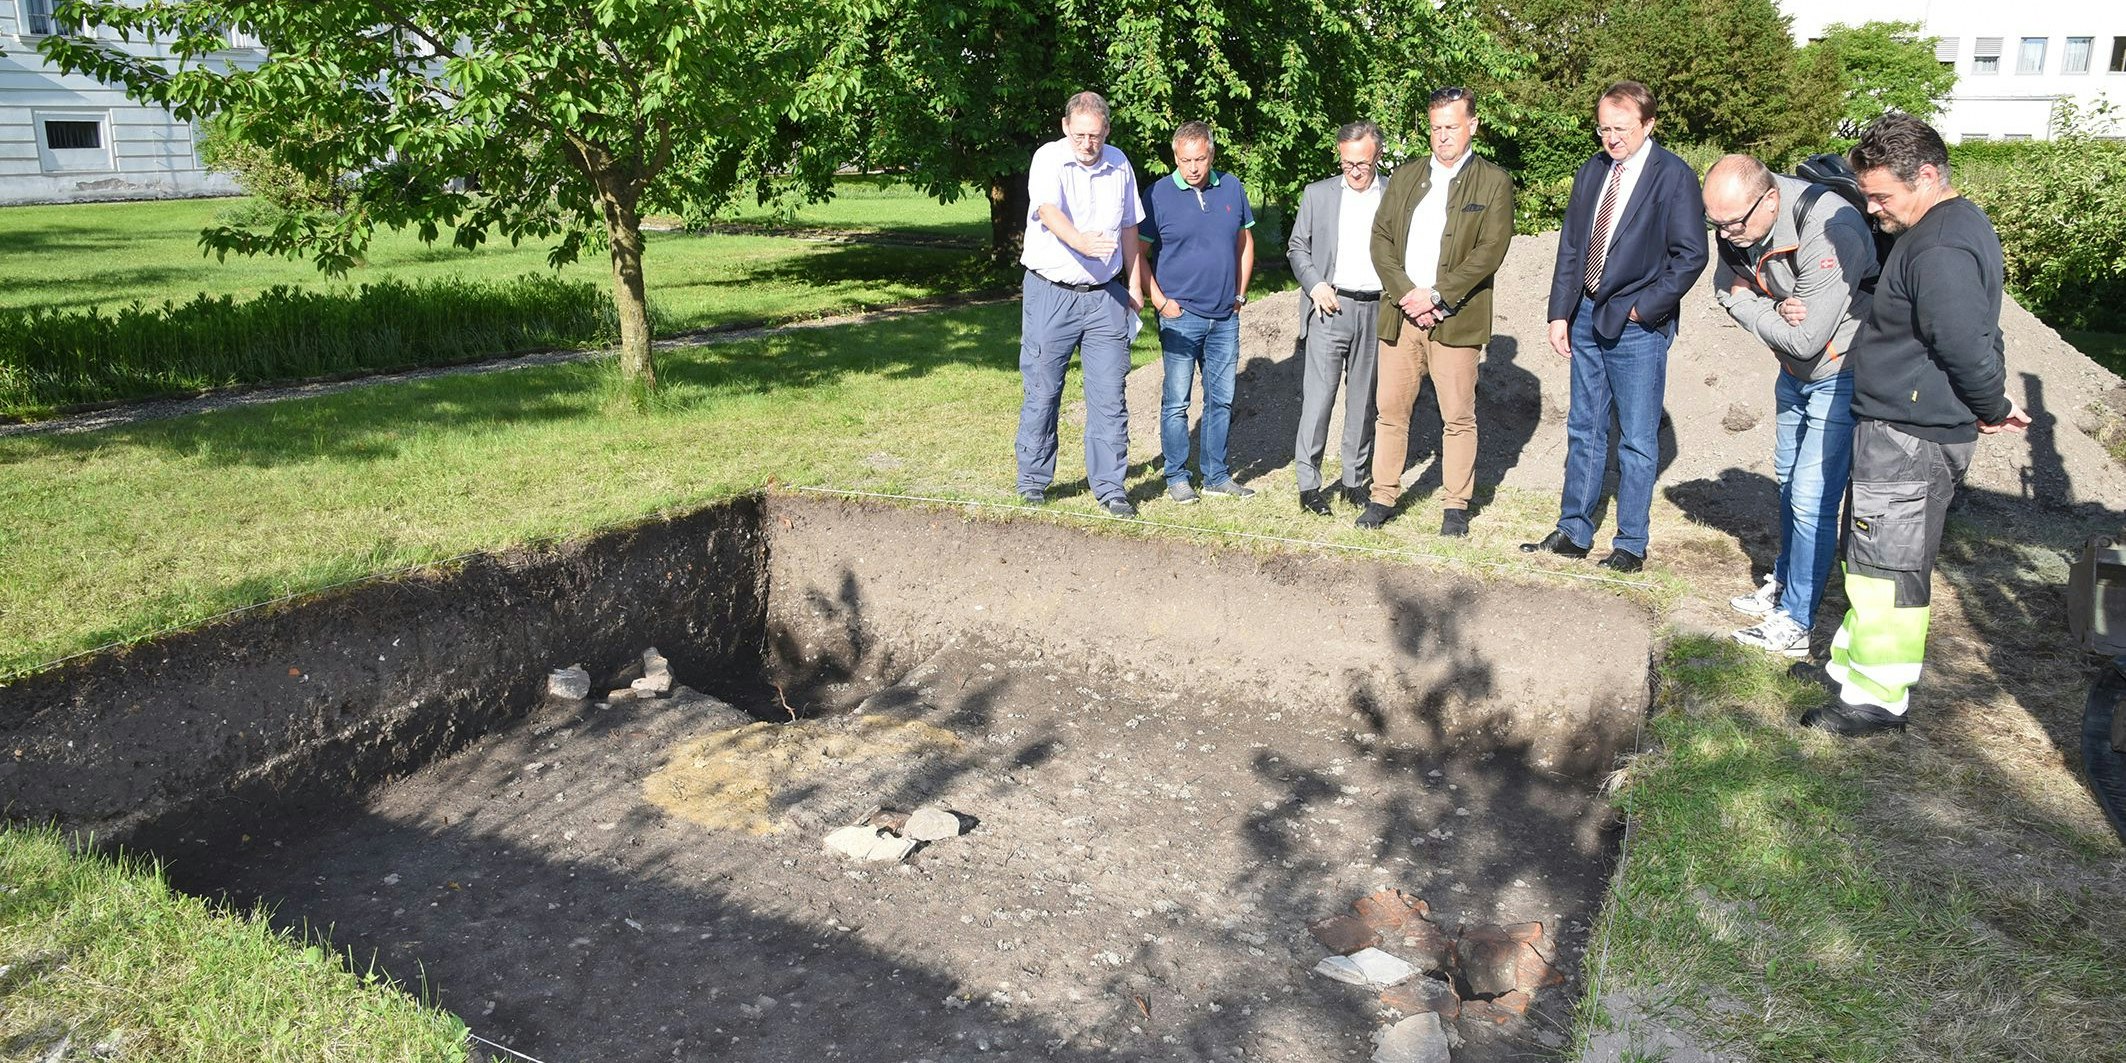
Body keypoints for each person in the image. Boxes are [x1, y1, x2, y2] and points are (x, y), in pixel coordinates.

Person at [1796, 113, 2029, 737]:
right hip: (1903, 426)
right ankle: (1854, 667)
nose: (1872, 211)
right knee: (1874, 555)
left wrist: (1991, 405)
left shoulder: (1943, 244)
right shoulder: (1941, 228)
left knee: (1890, 565)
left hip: (1912, 435)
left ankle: (1877, 698)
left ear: (1926, 176)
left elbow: (1964, 339)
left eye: (1880, 196)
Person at [1523, 81, 1708, 571]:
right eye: (1604, 128)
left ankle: (1630, 543)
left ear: (1648, 124)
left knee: (1637, 438)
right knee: (1583, 427)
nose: (1611, 138)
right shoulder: (1592, 171)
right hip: (1583, 315)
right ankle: (1574, 531)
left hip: (1637, 327)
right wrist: (1559, 312)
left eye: (1620, 129)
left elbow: (1691, 256)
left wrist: (1642, 309)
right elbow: (1571, 247)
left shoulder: (1674, 177)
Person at [1703, 153, 1877, 658]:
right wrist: (1772, 307)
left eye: (1735, 223)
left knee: (1811, 497)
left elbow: (1806, 338)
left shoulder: (1829, 226)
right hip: (1793, 373)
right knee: (1787, 479)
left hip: (1840, 371)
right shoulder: (1735, 219)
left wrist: (1747, 302)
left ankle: (1798, 621)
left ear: (1771, 199)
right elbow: (1721, 286)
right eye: (1717, 223)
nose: (1728, 234)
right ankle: (1784, 582)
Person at [1357, 86, 1516, 534]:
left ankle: (1455, 507)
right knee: (1390, 411)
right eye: (1435, 128)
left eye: (1451, 126)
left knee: (1458, 417)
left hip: (1455, 320)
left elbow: (1490, 250)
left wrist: (1438, 296)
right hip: (1402, 317)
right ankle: (1383, 496)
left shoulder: (1493, 181)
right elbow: (1381, 240)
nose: (1443, 136)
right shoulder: (1406, 176)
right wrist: (1408, 292)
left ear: (1473, 125)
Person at [1015, 91, 1146, 518]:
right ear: (1066, 127)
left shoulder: (1120, 163)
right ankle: (1033, 481)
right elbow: (1048, 211)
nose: (1088, 143)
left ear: (1107, 129)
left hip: (1105, 296)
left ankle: (1110, 488)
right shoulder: (1048, 158)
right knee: (1043, 389)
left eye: (1095, 135)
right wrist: (1081, 242)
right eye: (1080, 135)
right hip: (1051, 292)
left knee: (1110, 395)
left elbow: (1130, 228)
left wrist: (1136, 284)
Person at [1141, 120, 1257, 504]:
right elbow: (1137, 255)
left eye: (1200, 159)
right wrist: (1159, 300)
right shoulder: (1157, 195)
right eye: (1185, 160)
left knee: (1221, 399)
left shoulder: (1232, 187)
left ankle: (1216, 475)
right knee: (1176, 401)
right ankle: (1176, 476)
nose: (1193, 168)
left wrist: (1239, 295)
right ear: (1175, 156)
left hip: (1225, 315)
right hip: (1179, 314)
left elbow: (1244, 241)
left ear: (1211, 154)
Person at [1287, 121, 1390, 516]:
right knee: (1319, 399)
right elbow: (1298, 247)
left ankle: (1353, 480)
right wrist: (1315, 285)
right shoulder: (1319, 195)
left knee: (1363, 402)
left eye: (1362, 163)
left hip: (1377, 308)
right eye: (1347, 163)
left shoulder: (1393, 194)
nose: (1355, 170)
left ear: (1377, 155)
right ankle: (1309, 484)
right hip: (1330, 307)